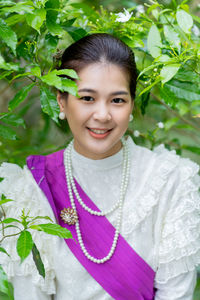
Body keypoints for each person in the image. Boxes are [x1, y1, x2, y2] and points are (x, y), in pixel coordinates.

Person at [0, 33, 200, 300]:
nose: (103, 115)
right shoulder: (32, 189)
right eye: (87, 98)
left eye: (117, 100)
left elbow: (177, 293)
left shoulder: (170, 180)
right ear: (61, 100)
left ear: (131, 104)